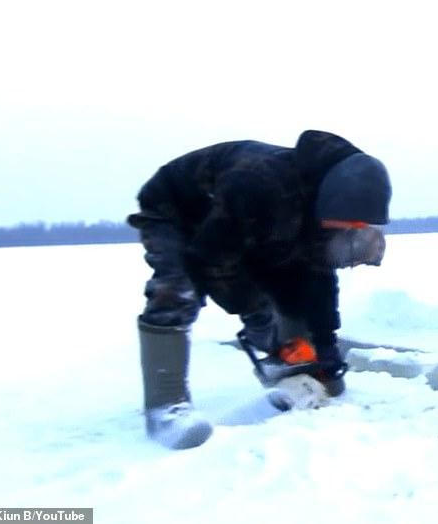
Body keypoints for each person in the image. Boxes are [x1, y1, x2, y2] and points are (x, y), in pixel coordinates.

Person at [127, 130, 391, 448]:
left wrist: (326, 346)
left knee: (293, 283)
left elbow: (318, 278)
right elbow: (212, 261)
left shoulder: (326, 210)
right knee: (178, 289)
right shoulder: (258, 182)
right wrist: (255, 314)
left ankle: (294, 366)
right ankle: (166, 409)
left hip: (243, 222)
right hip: (178, 210)